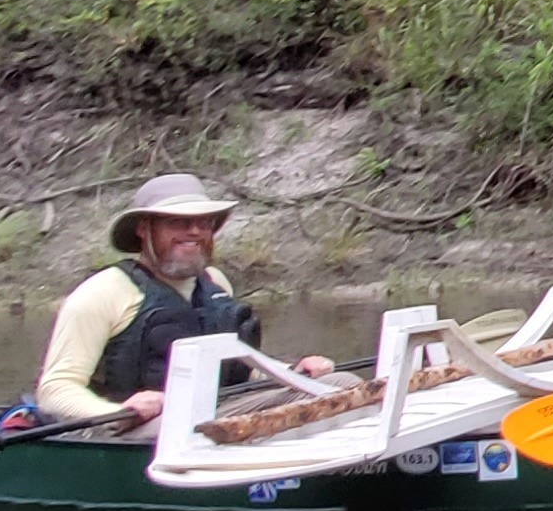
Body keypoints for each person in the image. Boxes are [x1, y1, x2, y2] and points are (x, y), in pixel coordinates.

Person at [28, 172, 332, 427]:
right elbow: (55, 391)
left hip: (220, 416)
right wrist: (117, 412)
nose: (195, 231)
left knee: (336, 385)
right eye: (178, 222)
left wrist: (290, 372)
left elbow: (237, 368)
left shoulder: (215, 284)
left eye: (204, 222)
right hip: (137, 429)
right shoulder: (101, 294)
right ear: (144, 229)